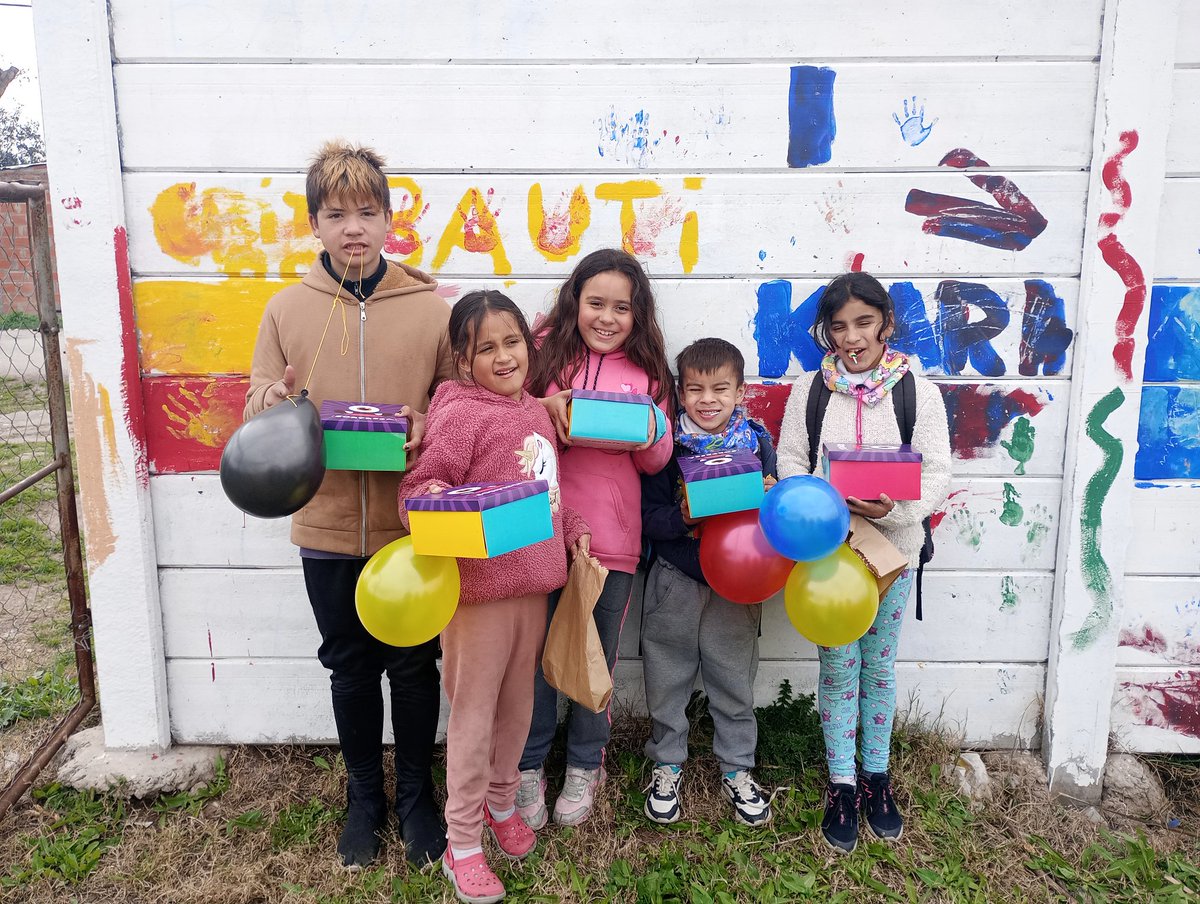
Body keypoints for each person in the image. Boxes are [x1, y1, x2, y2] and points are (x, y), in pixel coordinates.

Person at [244, 141, 453, 869]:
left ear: (391, 219)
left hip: (411, 525)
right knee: (349, 666)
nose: (353, 227)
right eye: (336, 214)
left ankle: (418, 797)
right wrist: (271, 402)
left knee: (415, 663)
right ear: (314, 223)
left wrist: (433, 422)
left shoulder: (429, 309)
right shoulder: (285, 309)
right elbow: (256, 400)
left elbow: (455, 400)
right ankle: (365, 796)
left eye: (368, 211)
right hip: (327, 521)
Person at [397, 291, 589, 904]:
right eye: (487, 348)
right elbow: (418, 492)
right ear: (462, 357)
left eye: (513, 343)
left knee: (518, 709)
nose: (504, 357)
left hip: (533, 590)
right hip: (477, 598)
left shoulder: (534, 412)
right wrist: (463, 511)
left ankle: (503, 803)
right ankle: (463, 842)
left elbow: (548, 490)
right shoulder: (458, 415)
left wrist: (575, 530)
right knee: (474, 716)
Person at [775, 272, 951, 854]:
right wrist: (823, 502)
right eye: (840, 326)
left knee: (877, 666)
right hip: (828, 555)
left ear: (887, 323)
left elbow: (938, 473)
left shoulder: (916, 391)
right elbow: (792, 461)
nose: (851, 338)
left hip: (891, 553)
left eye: (864, 323)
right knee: (837, 667)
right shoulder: (812, 389)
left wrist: (895, 506)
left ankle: (877, 776)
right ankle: (841, 783)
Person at [517, 248, 674, 828]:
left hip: (613, 542)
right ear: (574, 301)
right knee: (535, 658)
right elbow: (508, 420)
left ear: (638, 315)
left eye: (622, 308)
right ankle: (529, 763)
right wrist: (545, 408)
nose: (607, 317)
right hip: (539, 533)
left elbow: (659, 461)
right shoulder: (543, 357)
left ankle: (586, 763)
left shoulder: (649, 373)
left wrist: (650, 427)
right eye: (595, 303)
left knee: (593, 658)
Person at [639, 338, 779, 827]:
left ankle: (738, 768)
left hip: (736, 585)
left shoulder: (757, 443)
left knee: (733, 676)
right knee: (666, 673)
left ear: (741, 391)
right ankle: (667, 761)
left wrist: (767, 496)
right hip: (676, 576)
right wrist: (681, 518)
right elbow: (647, 516)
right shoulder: (665, 447)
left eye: (721, 388)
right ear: (679, 391)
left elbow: (775, 515)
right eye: (695, 389)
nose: (707, 399)